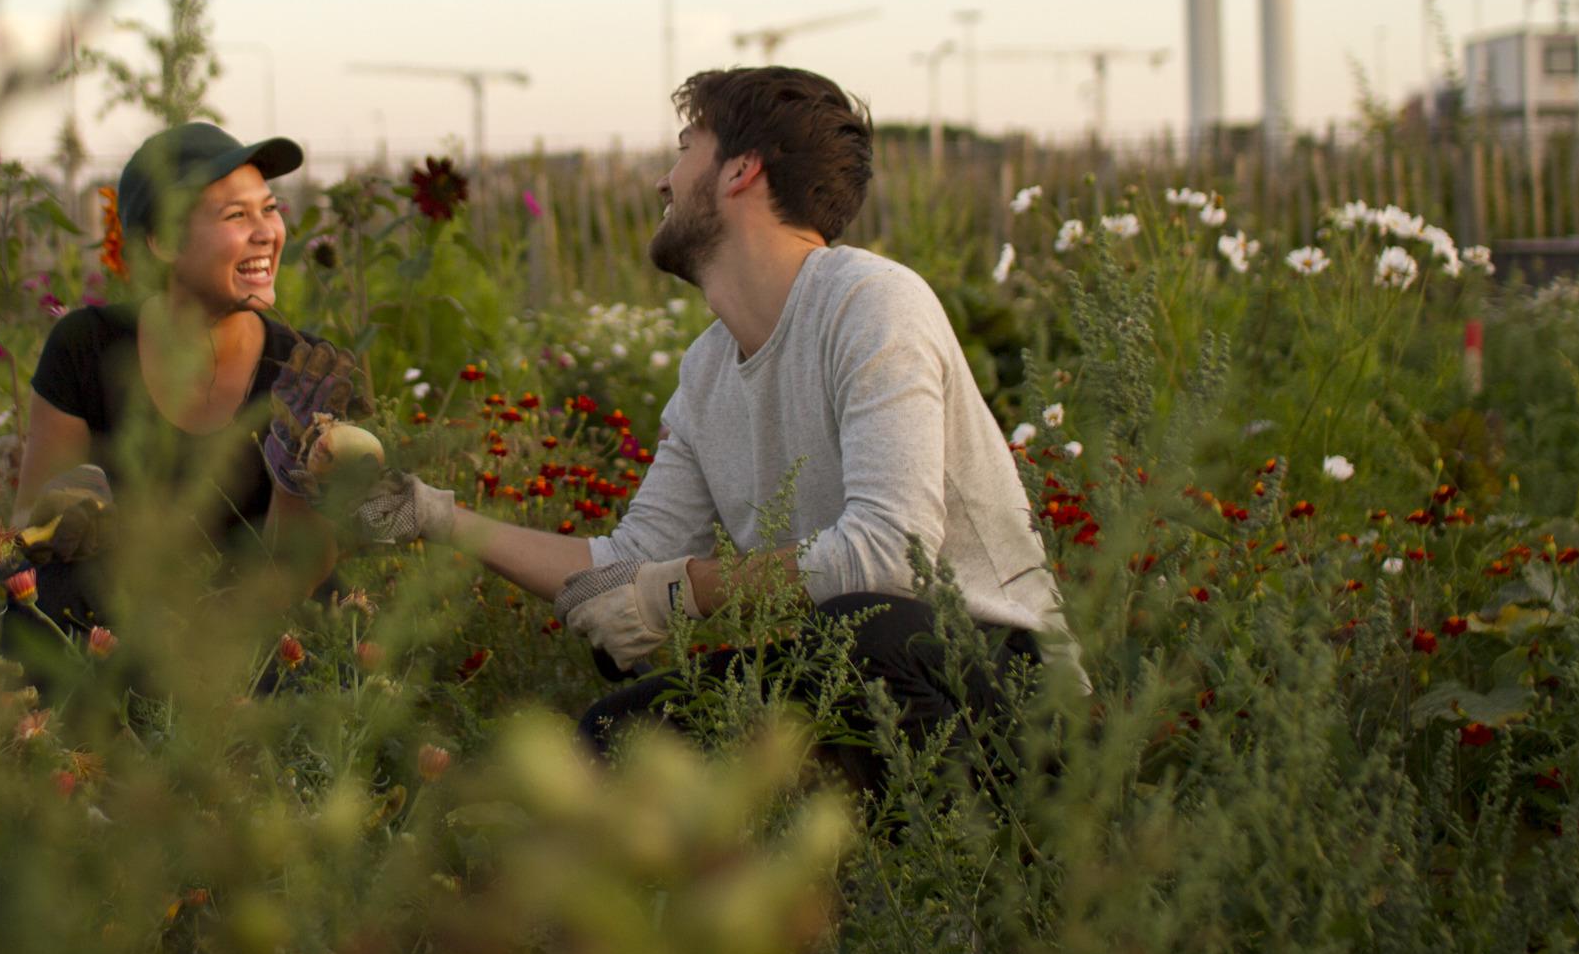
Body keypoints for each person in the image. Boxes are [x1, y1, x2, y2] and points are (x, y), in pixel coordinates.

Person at [355, 66, 1074, 778]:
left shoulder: (873, 303)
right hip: (851, 669)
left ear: (741, 170)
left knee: (866, 632)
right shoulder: (705, 372)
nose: (663, 181)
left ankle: (974, 874)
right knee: (616, 733)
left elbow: (888, 554)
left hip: (998, 680)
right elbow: (632, 563)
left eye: (683, 147)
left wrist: (678, 591)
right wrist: (438, 518)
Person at [6, 121, 358, 642]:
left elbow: (302, 565)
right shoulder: (86, 347)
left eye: (270, 208)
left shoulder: (303, 372)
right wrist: (62, 515)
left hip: (259, 623)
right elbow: (28, 522)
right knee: (42, 596)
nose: (267, 231)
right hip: (124, 612)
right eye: (237, 215)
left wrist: (304, 462)